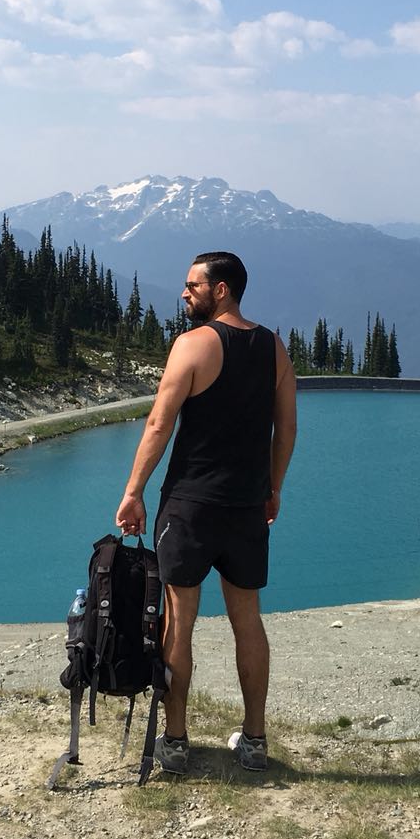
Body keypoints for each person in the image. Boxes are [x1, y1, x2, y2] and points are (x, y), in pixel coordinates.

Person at [114, 250, 297, 774]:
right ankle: (255, 741)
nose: (184, 292)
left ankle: (175, 741)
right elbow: (285, 429)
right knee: (248, 621)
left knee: (179, 622)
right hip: (245, 506)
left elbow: (158, 424)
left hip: (190, 506)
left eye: (193, 284)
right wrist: (274, 488)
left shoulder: (191, 346)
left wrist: (133, 492)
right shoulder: (274, 348)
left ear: (222, 289)